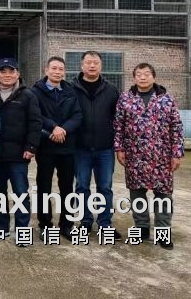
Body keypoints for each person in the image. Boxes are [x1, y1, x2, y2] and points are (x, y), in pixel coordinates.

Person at [114, 63, 184, 250]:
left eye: (146, 74)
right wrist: (119, 149)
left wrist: (177, 153)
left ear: (154, 77)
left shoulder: (166, 100)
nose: (143, 77)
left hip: (161, 156)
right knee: (137, 194)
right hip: (135, 155)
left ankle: (163, 232)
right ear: (134, 78)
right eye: (139, 74)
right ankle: (142, 228)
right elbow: (119, 126)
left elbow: (176, 127)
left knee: (163, 196)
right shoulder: (125, 99)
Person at [0, 57, 41, 247]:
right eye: (3, 71)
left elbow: (35, 122)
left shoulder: (28, 95)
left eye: (11, 71)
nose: (7, 75)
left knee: (20, 193)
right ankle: (2, 228)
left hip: (19, 155)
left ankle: (22, 232)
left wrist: (31, 146)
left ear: (18, 74)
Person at [71, 51, 121, 238]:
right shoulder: (71, 88)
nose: (92, 66)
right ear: (81, 65)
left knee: (105, 187)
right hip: (80, 147)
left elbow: (119, 118)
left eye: (96, 63)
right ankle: (85, 222)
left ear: (101, 65)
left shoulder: (111, 89)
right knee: (82, 186)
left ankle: (105, 224)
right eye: (88, 62)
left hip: (105, 148)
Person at [32, 56, 83, 241]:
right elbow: (36, 115)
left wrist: (63, 130)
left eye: (61, 69)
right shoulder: (35, 91)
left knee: (67, 188)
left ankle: (66, 225)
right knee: (44, 187)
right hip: (46, 146)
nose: (57, 72)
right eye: (54, 68)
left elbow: (77, 115)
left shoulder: (71, 91)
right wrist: (53, 128)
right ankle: (45, 225)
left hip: (67, 147)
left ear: (64, 72)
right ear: (46, 70)